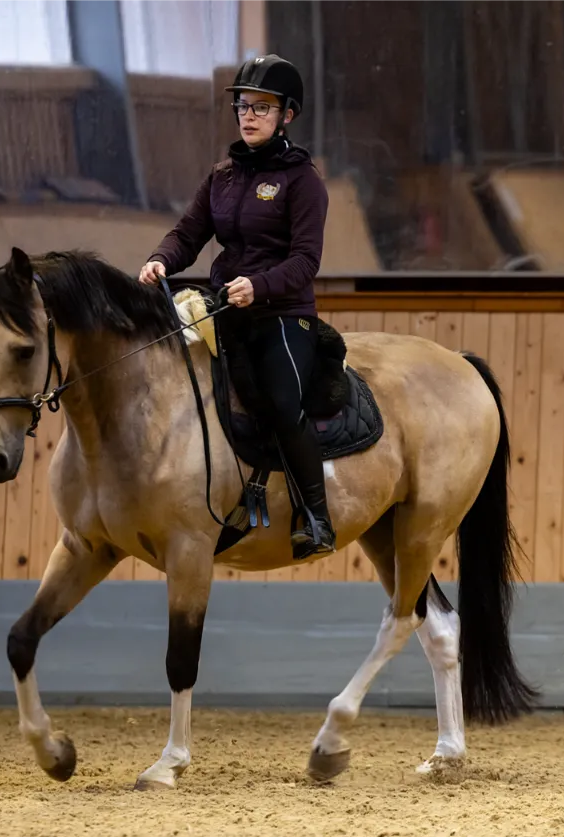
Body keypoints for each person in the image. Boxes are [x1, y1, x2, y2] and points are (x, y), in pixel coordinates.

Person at [138, 53, 335, 559]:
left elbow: (305, 260)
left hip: (282, 313)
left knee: (280, 401)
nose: (249, 115)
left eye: (262, 108)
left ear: (287, 114)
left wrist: (260, 286)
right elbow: (188, 235)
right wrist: (162, 260)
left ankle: (315, 517)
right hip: (225, 308)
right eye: (243, 106)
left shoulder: (302, 180)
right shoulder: (221, 177)